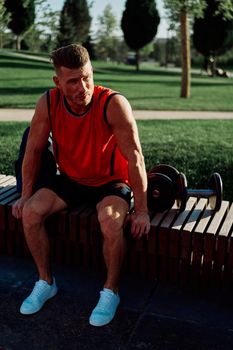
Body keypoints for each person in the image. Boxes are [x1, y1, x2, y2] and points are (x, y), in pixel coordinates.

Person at [12, 43, 150, 327]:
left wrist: (143, 209)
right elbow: (33, 152)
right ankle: (45, 282)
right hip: (72, 179)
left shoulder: (112, 104)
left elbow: (135, 157)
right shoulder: (48, 103)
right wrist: (25, 196)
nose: (82, 86)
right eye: (73, 81)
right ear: (58, 82)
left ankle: (110, 292)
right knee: (30, 213)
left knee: (111, 223)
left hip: (111, 183)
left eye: (87, 77)